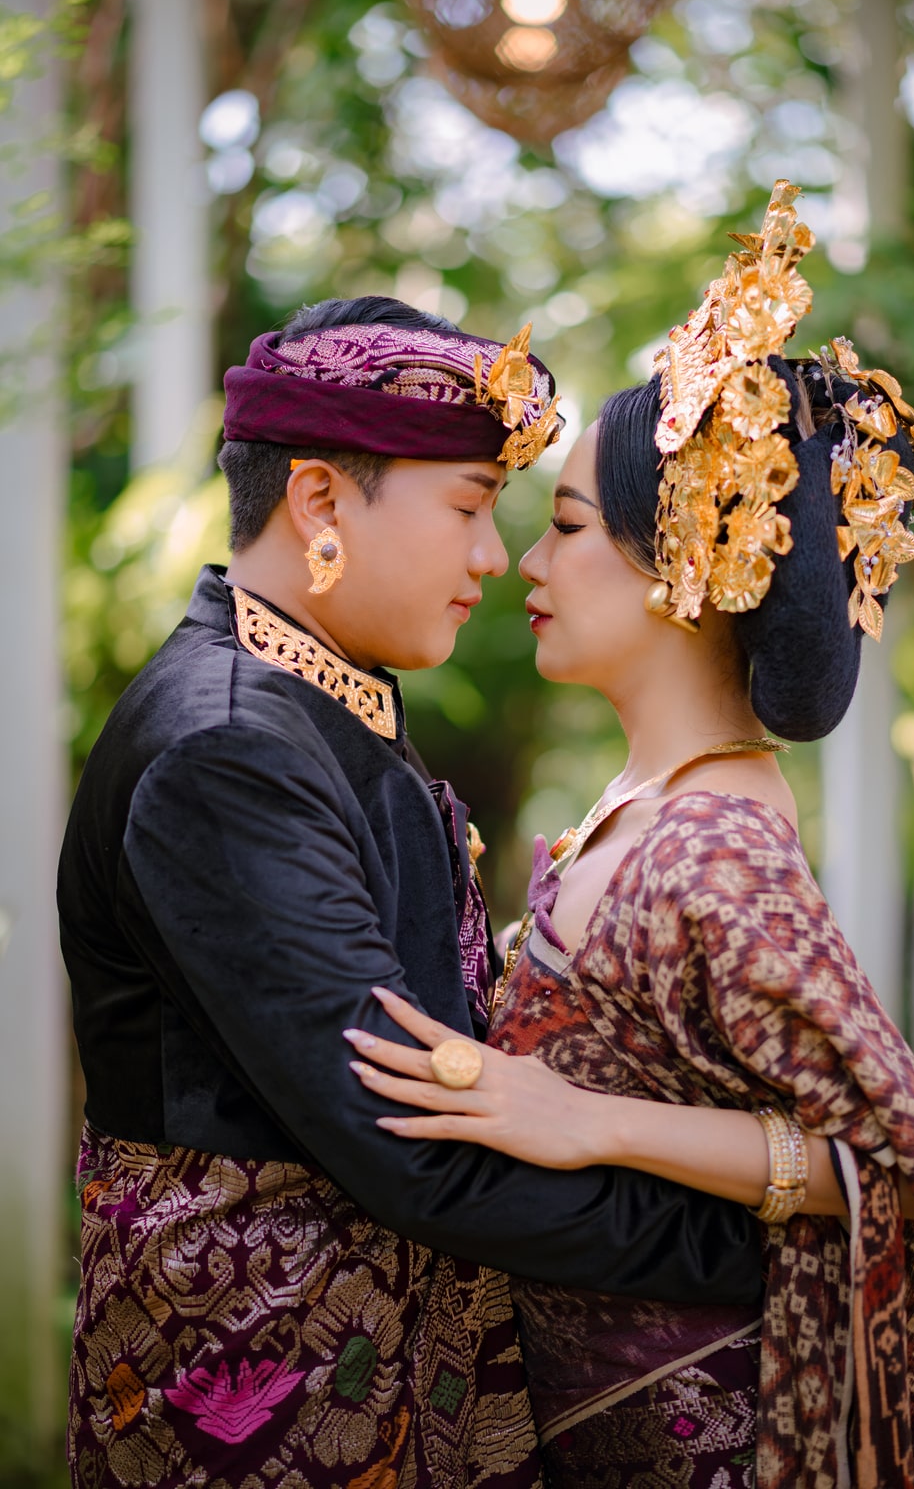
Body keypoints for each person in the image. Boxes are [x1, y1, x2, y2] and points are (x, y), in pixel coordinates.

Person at [345, 188, 914, 1489]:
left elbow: (884, 1165)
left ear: (684, 565)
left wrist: (584, 1121)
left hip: (696, 1435)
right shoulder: (651, 808)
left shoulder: (713, 849)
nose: (524, 565)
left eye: (566, 527)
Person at [57, 296, 764, 1489]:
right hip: (265, 1409)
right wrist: (759, 1246)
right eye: (470, 505)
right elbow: (416, 1146)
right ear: (320, 500)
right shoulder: (227, 750)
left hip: (377, 1378)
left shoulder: (314, 705)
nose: (494, 555)